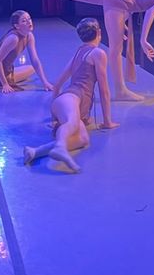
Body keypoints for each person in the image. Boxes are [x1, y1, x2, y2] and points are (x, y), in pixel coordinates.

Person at [24, 17, 119, 172]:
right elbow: (104, 89)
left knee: (82, 139)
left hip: (67, 102)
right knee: (72, 123)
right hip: (71, 97)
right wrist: (107, 121)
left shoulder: (80, 51)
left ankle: (35, 152)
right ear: (99, 33)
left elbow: (57, 85)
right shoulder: (98, 53)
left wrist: (55, 117)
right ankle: (61, 147)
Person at [0, 10, 53, 93]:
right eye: (24, 21)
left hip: (6, 66)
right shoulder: (13, 39)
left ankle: (2, 74)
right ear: (17, 26)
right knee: (25, 73)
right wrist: (5, 84)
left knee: (31, 68)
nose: (29, 22)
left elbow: (35, 60)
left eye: (29, 19)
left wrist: (45, 82)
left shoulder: (29, 36)